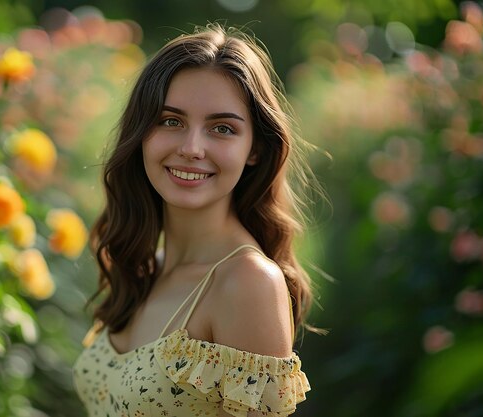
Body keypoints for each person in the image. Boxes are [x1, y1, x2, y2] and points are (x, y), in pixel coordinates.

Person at [73, 23, 315, 417]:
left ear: (254, 149)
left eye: (222, 128)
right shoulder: (146, 266)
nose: (191, 148)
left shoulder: (248, 283)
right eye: (171, 121)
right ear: (142, 133)